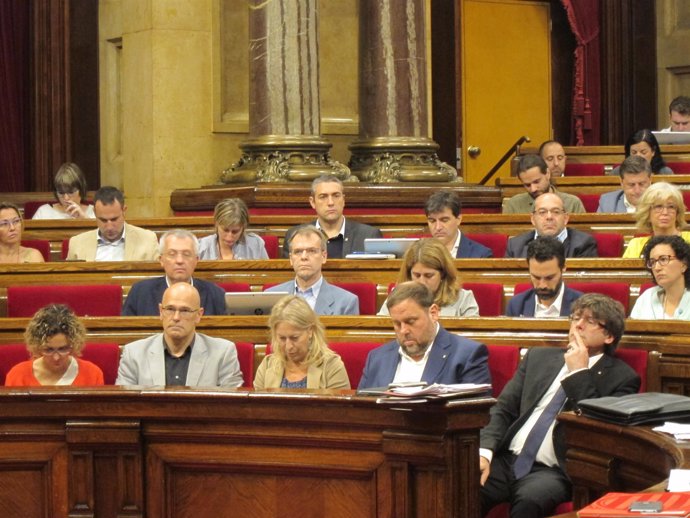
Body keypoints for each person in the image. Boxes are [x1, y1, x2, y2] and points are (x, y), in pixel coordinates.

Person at [479, 293, 641, 518]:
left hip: (554, 470)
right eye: (575, 318)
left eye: (590, 321)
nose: (579, 325)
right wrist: (485, 452)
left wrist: (579, 373)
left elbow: (597, 429)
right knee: (463, 483)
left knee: (530, 501)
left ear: (609, 336)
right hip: (507, 459)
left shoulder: (622, 378)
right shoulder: (539, 357)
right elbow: (503, 408)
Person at [359, 282, 490, 390]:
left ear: (433, 313)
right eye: (397, 324)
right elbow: (362, 410)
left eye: (410, 322)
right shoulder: (377, 358)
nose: (404, 330)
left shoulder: (467, 355)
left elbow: (473, 416)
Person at [116, 282, 243, 387]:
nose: (176, 317)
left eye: (185, 310)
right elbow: (123, 405)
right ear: (161, 311)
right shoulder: (133, 353)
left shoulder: (223, 353)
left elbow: (233, 407)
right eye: (170, 309)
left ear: (199, 315)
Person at [254, 295, 350, 389]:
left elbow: (340, 405)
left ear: (310, 331)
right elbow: (256, 405)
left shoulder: (331, 366)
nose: (288, 346)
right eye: (282, 338)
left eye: (294, 338)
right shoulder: (267, 366)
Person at [122, 229, 226, 316]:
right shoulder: (140, 292)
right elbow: (126, 335)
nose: (179, 260)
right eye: (172, 254)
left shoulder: (215, 294)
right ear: (161, 260)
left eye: (186, 254)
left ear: (196, 260)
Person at [281, 175, 382, 258]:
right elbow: (288, 277)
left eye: (336, 196)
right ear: (312, 202)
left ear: (343, 200)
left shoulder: (368, 235)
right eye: (323, 197)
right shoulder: (295, 236)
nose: (330, 202)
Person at [267, 225, 359, 315]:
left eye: (311, 251)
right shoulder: (269, 297)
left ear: (324, 256)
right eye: (298, 252)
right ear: (291, 259)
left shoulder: (346, 302)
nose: (304, 257)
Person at [5, 304, 104, 386]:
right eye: (48, 350)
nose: (56, 357)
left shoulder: (92, 374)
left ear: (73, 345)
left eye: (63, 349)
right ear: (37, 346)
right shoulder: (17, 375)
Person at [378, 238, 479, 317]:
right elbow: (381, 331)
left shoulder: (464, 299)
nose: (422, 282)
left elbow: (472, 341)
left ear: (443, 274)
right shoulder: (396, 297)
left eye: (429, 275)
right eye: (417, 275)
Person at [66, 186, 160, 261]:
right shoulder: (77, 243)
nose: (109, 227)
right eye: (103, 220)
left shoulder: (148, 240)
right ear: (94, 213)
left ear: (124, 211)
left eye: (114, 219)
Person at [505, 237, 583, 317]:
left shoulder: (582, 306)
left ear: (563, 268)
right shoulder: (516, 305)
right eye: (536, 277)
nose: (543, 285)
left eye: (549, 278)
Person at [505, 193, 598, 258]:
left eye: (556, 212)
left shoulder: (584, 244)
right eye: (542, 212)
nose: (549, 217)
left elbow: (582, 282)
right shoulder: (515, 246)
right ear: (533, 219)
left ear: (566, 218)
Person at [623, 182, 690, 258]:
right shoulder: (636, 245)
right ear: (647, 212)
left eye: (671, 207)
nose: (665, 212)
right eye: (658, 206)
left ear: (677, 212)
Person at [630, 235, 690, 320]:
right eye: (652, 262)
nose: (657, 268)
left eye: (663, 259)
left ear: (684, 264)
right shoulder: (647, 298)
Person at [503, 154, 585, 215]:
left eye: (536, 182)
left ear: (548, 174)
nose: (533, 189)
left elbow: (583, 236)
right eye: (527, 185)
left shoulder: (573, 203)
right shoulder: (513, 205)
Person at [425, 190, 492, 258]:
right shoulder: (420, 253)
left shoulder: (481, 254)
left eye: (444, 220)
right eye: (432, 221)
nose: (438, 227)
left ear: (458, 219)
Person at [198, 198, 268, 260]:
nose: (229, 237)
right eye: (225, 230)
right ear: (216, 224)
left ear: (243, 227)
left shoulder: (256, 245)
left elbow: (267, 273)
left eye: (235, 231)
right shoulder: (200, 247)